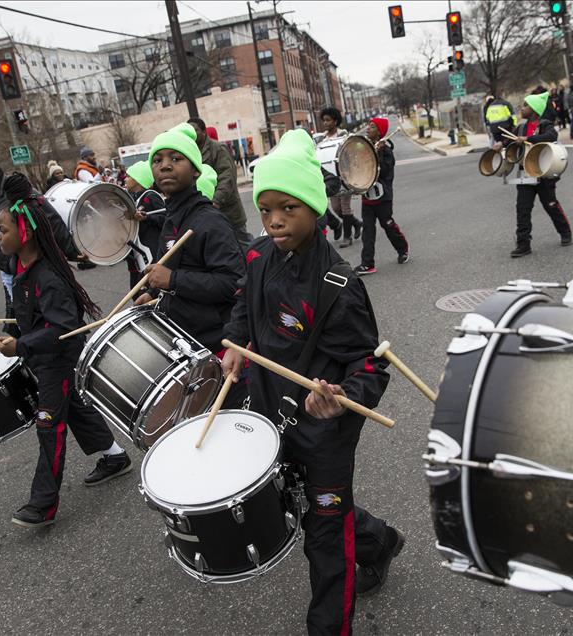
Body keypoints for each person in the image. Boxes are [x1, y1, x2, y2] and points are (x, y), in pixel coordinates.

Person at [221, 129, 403, 635]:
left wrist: (344, 401)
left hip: (325, 429)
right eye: (266, 209)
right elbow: (243, 307)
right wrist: (234, 343)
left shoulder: (339, 286)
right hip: (269, 411)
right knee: (306, 505)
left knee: (323, 536)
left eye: (288, 209)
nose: (275, 221)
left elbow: (370, 366)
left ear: (317, 209)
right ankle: (377, 540)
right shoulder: (258, 256)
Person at [0, 173, 131, 528]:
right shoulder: (18, 266)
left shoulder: (49, 279)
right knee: (76, 409)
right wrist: (11, 332)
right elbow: (18, 307)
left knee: (49, 424)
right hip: (43, 357)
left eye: (2, 230)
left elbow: (64, 329)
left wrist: (21, 344)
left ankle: (43, 505)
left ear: (24, 233)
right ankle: (115, 457)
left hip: (60, 359)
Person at [133, 123, 243, 357]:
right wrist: (153, 293)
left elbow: (232, 283)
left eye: (175, 158)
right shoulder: (171, 217)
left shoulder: (210, 221)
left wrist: (173, 280)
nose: (165, 166)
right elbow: (173, 267)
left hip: (215, 344)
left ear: (195, 170)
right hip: (184, 337)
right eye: (157, 160)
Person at [0, 141, 85, 337]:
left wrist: (72, 250)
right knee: (25, 326)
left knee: (48, 325)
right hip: (9, 272)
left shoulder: (15, 190)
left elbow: (48, 218)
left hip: (29, 269)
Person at [502, 90, 572, 258]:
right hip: (525, 173)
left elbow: (550, 136)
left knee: (551, 205)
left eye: (526, 105)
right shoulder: (520, 127)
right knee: (522, 208)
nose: (522, 107)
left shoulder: (545, 124)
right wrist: (500, 144)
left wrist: (528, 139)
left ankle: (565, 231)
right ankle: (523, 243)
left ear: (534, 109)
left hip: (544, 172)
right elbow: (510, 141)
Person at [186, 117, 252, 252]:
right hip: (206, 213)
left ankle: (259, 266)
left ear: (204, 132)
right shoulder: (190, 153)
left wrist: (216, 200)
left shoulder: (218, 149)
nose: (192, 133)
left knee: (244, 245)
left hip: (228, 210)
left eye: (195, 130)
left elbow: (227, 177)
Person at [354, 117, 409, 275]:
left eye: (371, 127)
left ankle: (402, 249)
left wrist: (378, 154)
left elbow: (385, 172)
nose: (367, 129)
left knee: (387, 224)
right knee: (368, 231)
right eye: (368, 126)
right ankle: (367, 263)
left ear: (379, 132)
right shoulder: (365, 147)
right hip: (367, 197)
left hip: (383, 196)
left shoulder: (386, 151)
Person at [319, 106, 363, 247]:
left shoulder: (343, 135)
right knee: (336, 208)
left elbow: (351, 152)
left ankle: (347, 237)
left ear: (335, 120)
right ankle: (356, 224)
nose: (325, 123)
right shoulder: (322, 139)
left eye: (328, 120)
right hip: (331, 179)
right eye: (324, 120)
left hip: (344, 175)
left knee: (345, 207)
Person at [123, 161, 166, 291]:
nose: (125, 179)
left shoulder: (151, 196)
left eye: (129, 176)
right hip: (137, 251)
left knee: (150, 289)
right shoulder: (132, 197)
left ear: (138, 179)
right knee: (136, 291)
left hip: (151, 251)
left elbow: (165, 218)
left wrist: (147, 217)